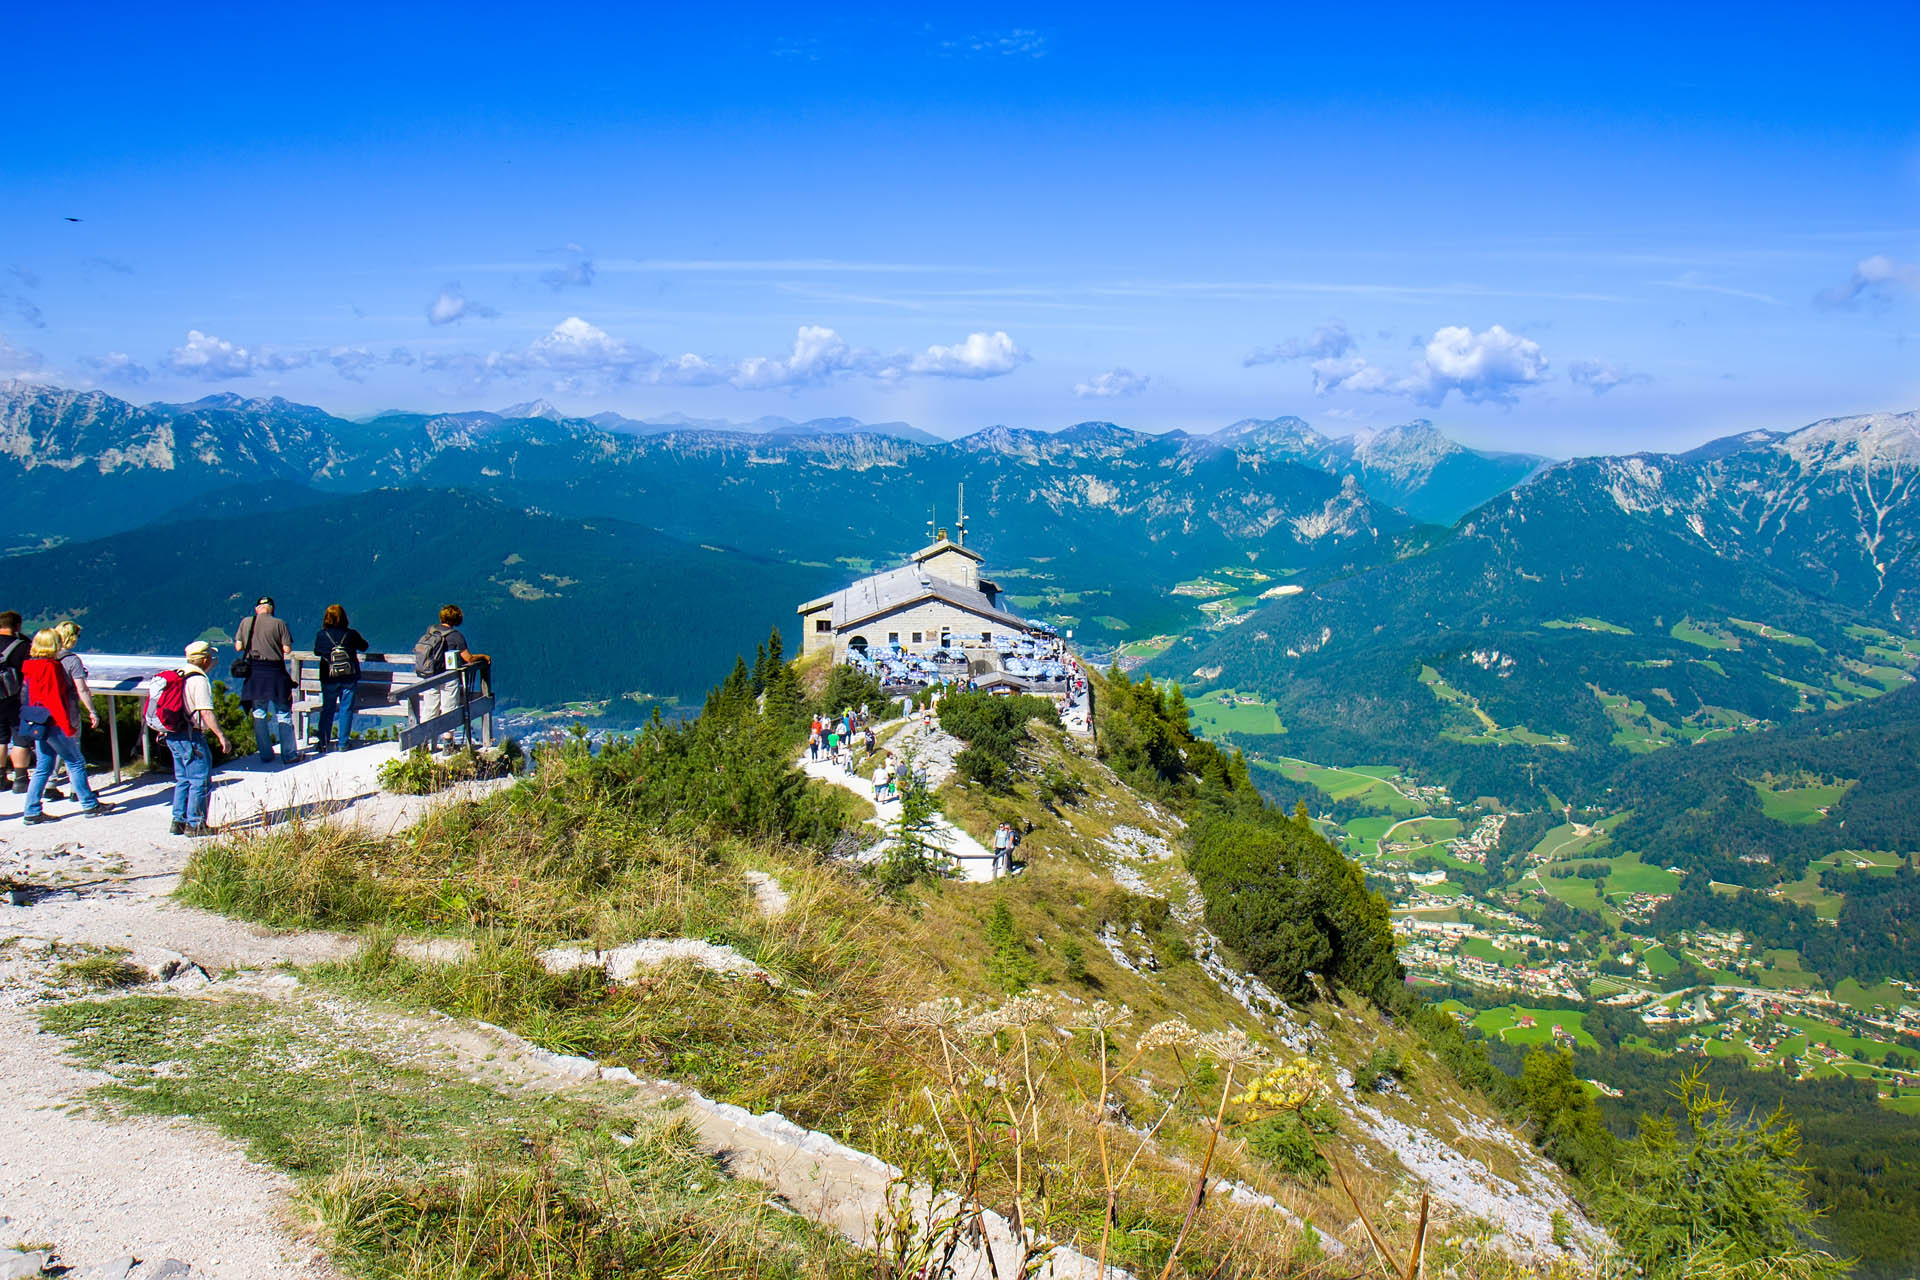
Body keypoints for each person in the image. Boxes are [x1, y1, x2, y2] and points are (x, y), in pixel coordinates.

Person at [18, 629, 113, 825]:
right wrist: (66, 726)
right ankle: (89, 804)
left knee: (43, 766)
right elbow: (55, 700)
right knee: (76, 761)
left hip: (38, 721)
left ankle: (32, 810)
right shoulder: (51, 667)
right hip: (54, 723)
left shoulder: (29, 666)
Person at [167, 641, 231, 836]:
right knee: (200, 780)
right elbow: (205, 712)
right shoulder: (199, 680)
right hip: (191, 735)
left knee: (183, 779)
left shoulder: (178, 674)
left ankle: (178, 821)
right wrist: (221, 736)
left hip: (172, 735)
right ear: (205, 660)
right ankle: (196, 824)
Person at [415, 605, 489, 751]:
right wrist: (484, 657)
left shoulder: (431, 631)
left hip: (430, 676)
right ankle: (448, 745)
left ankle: (423, 744)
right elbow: (468, 658)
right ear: (457, 618)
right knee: (449, 708)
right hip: (448, 677)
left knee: (429, 708)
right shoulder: (456, 635)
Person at [235, 596, 296, 764]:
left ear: (257, 608)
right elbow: (287, 649)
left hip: (255, 672)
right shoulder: (279, 623)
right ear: (272, 608)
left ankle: (266, 754)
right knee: (283, 713)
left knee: (259, 712)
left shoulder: (246, 622)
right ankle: (289, 755)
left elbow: (238, 647)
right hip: (275, 671)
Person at [312, 604, 370, 754]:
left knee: (328, 709)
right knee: (346, 708)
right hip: (349, 677)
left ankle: (323, 743)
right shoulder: (351, 634)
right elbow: (364, 646)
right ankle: (343, 743)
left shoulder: (321, 635)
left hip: (329, 677)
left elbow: (317, 651)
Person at [0, 611, 32, 794]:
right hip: (16, 698)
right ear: (17, 626)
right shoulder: (23, 646)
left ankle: (0, 778)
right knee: (20, 739)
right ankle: (20, 780)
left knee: (0, 738)